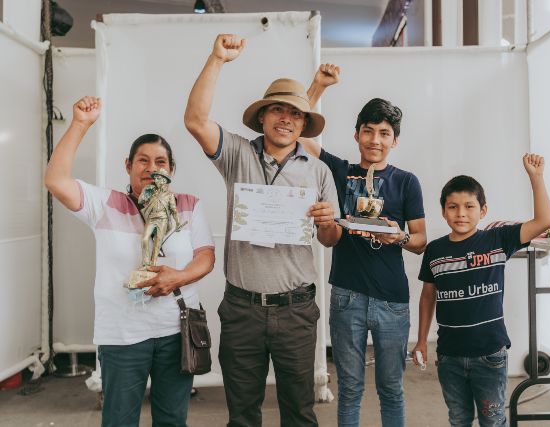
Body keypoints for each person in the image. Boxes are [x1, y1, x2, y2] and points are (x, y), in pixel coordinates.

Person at [184, 35, 341, 427]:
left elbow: (331, 239)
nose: (285, 118)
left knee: (300, 415)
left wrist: (327, 225)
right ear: (262, 117)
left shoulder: (318, 170)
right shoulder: (237, 154)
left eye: (295, 113)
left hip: (297, 311)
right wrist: (217, 58)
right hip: (242, 310)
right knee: (241, 416)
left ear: (303, 123)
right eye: (277, 109)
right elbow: (195, 121)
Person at [45, 96, 215, 427]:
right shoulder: (105, 204)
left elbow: (205, 257)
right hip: (122, 335)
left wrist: (176, 278)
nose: (152, 168)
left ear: (172, 169)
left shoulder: (188, 206)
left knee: (172, 419)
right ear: (128, 166)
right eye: (143, 160)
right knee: (119, 420)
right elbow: (56, 180)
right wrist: (80, 123)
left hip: (175, 331)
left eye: (161, 162)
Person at [301, 65, 428, 427]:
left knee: (391, 389)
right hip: (347, 296)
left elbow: (420, 241)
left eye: (384, 133)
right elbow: (301, 137)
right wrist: (319, 85)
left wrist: (398, 236)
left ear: (395, 140)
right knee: (351, 388)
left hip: (392, 300)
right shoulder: (339, 172)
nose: (375, 139)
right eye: (368, 131)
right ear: (356, 135)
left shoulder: (406, 182)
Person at [412, 154, 550, 427]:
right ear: (443, 211)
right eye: (453, 207)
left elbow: (544, 221)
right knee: (458, 419)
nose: (461, 213)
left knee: (493, 420)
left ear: (483, 210)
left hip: (490, 354)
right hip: (449, 355)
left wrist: (536, 178)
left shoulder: (498, 240)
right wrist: (420, 341)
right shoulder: (436, 250)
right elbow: (428, 296)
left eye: (469, 206)